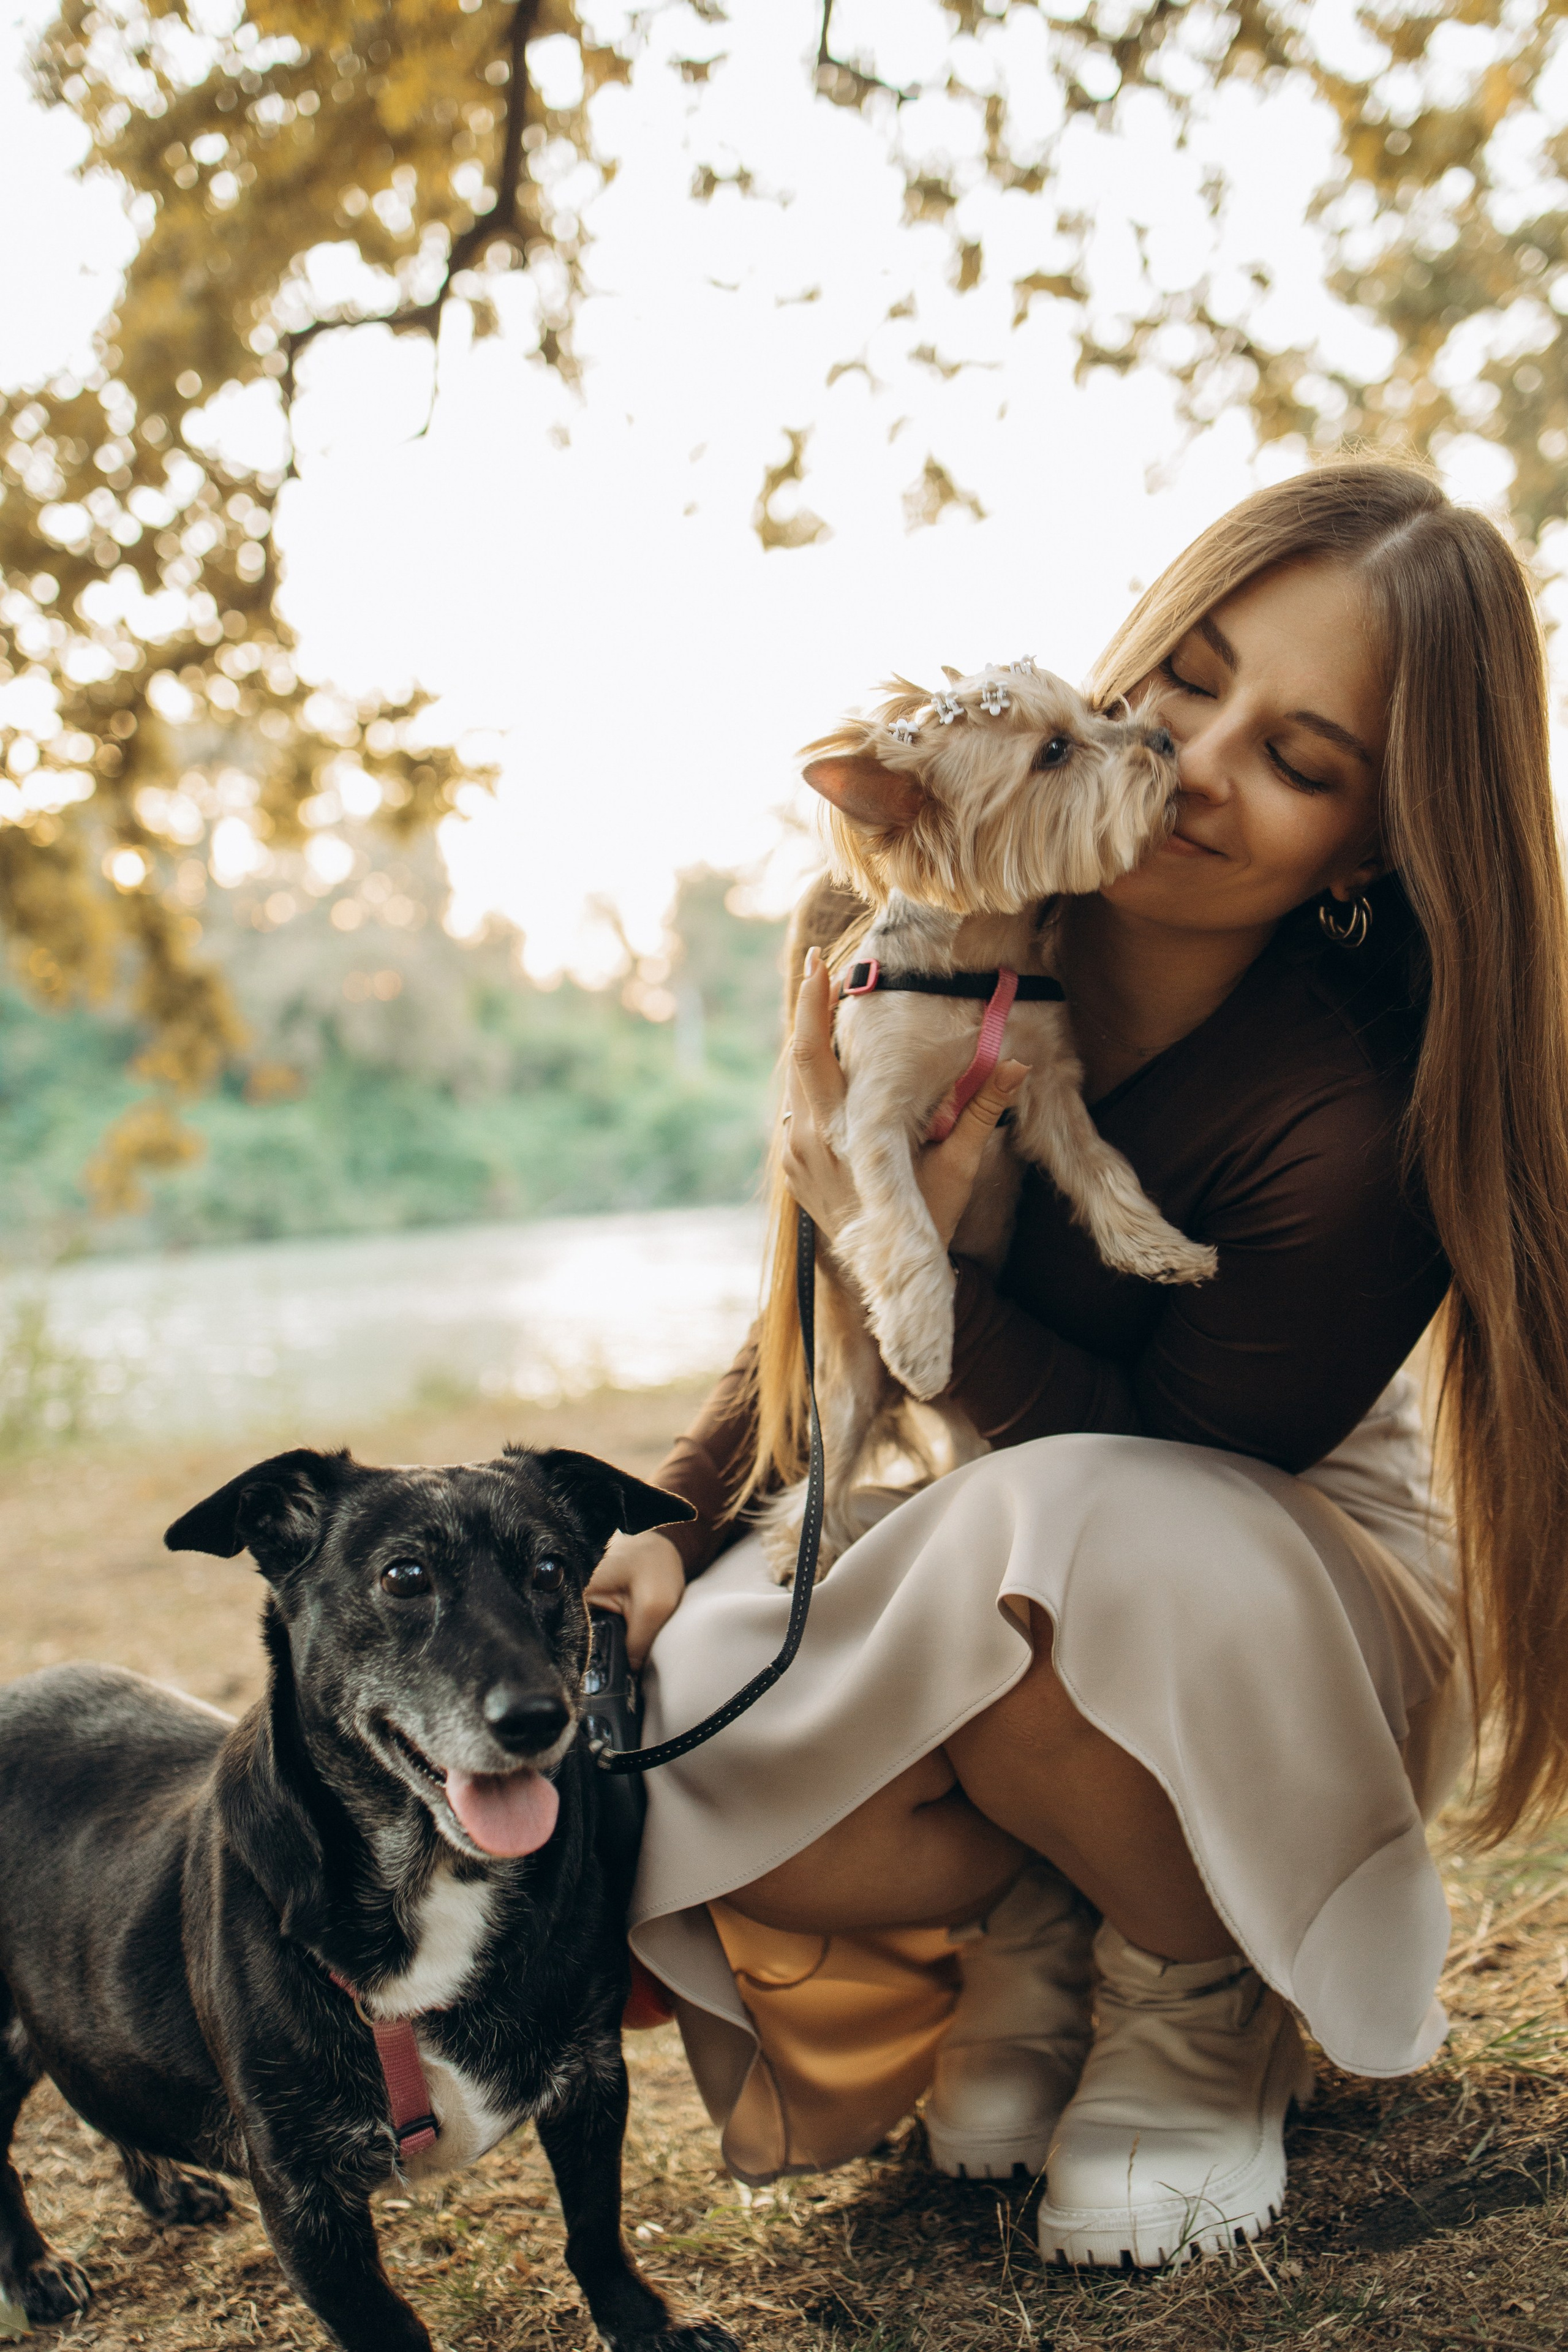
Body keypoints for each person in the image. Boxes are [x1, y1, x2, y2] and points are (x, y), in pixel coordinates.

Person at [587, 459, 1568, 2266]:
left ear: (1371, 841)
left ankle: (1207, 1983)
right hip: (1010, 1540)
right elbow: (831, 1263)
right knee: (690, 1700)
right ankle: (1065, 1916)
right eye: (1189, 682)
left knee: (1076, 1537)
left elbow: (1172, 1451)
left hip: (1269, 1586)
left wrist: (954, 1250)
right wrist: (673, 1511)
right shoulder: (913, 916)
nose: (1199, 763)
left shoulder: (1358, 1109)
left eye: (1298, 756)